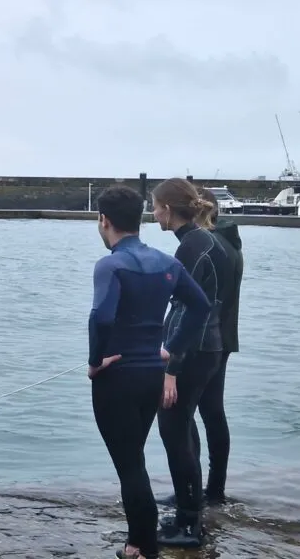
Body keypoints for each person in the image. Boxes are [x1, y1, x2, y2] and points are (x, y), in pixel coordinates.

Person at [89, 185, 211, 559]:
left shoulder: (110, 264)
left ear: (104, 220)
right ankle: (139, 541)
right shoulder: (167, 263)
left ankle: (140, 546)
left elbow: (101, 316)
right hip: (151, 376)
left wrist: (95, 362)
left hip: (117, 376)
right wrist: (171, 349)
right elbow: (201, 307)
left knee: (130, 466)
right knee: (135, 459)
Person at [151, 178, 230, 548]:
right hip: (207, 347)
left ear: (168, 209)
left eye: (154, 207)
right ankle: (191, 504)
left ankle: (188, 525)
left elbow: (190, 310)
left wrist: (171, 367)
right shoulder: (205, 241)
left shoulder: (193, 247)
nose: (153, 215)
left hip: (194, 350)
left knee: (173, 430)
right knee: (183, 427)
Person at [157, 187, 244, 510]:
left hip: (206, 338)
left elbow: (193, 305)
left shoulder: (207, 245)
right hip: (221, 336)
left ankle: (200, 497)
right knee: (208, 413)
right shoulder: (228, 243)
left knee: (195, 415)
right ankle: (208, 492)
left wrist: (173, 361)